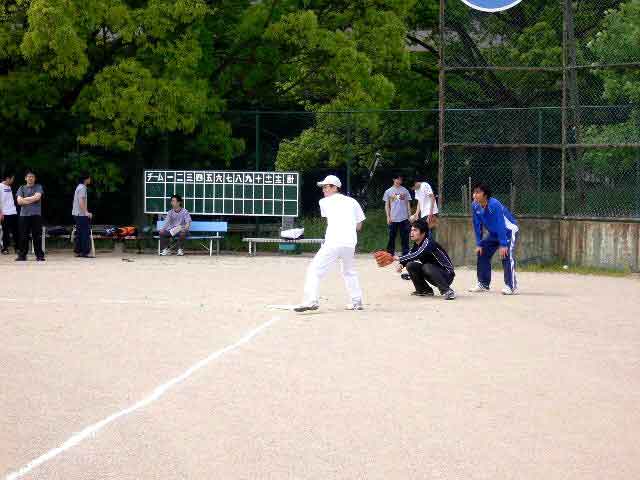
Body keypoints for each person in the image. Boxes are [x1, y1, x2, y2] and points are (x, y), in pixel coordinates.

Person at [295, 175, 366, 312]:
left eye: (326, 187)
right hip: (350, 243)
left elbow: (330, 218)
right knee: (349, 272)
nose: (323, 190)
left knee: (314, 270)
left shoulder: (323, 202)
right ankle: (357, 301)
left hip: (333, 242)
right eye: (323, 187)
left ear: (335, 188)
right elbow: (359, 226)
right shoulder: (353, 201)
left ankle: (311, 301)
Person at [468, 183, 519, 295]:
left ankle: (511, 285)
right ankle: (483, 283)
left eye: (478, 192)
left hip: (508, 231)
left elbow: (500, 223)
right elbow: (477, 224)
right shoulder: (475, 205)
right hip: (494, 233)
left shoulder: (494, 204)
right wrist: (479, 243)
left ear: (485, 195)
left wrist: (503, 244)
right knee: (482, 251)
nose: (474, 195)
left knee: (506, 254)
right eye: (474, 192)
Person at [394, 219, 456, 300]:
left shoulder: (429, 243)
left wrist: (398, 258)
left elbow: (417, 254)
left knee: (426, 266)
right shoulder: (417, 244)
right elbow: (410, 255)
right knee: (411, 265)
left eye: (415, 230)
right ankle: (424, 290)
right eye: (411, 230)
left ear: (423, 233)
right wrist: (401, 264)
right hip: (433, 272)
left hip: (447, 275)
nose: (411, 233)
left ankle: (448, 291)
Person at [16, 170, 45, 261]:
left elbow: (37, 197)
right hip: (24, 215)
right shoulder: (21, 188)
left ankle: (39, 255)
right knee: (23, 236)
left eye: (32, 177)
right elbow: (19, 201)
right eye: (29, 176)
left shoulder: (38, 187)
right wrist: (31, 199)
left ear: (35, 178)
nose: (30, 178)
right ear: (25, 178)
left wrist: (24, 199)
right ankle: (22, 255)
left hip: (36, 215)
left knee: (37, 236)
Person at [383, 173, 412, 256]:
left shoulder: (405, 190)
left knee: (405, 238)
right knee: (391, 237)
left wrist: (409, 216)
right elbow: (387, 205)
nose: (399, 181)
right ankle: (389, 254)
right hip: (393, 218)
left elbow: (408, 203)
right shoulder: (388, 191)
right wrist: (388, 217)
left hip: (404, 218)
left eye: (401, 179)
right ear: (393, 179)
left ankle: (405, 254)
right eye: (398, 179)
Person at [72, 173, 93, 258]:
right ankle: (84, 252)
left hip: (78, 213)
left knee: (80, 233)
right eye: (89, 178)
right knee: (85, 233)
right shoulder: (82, 188)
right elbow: (81, 201)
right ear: (85, 179)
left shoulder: (79, 187)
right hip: (81, 214)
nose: (90, 179)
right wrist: (86, 212)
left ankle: (78, 251)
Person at [1, 171, 19, 255]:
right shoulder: (0, 186)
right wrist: (0, 213)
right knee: (6, 232)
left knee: (16, 231)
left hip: (13, 212)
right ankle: (5, 248)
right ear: (7, 178)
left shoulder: (10, 187)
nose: (13, 180)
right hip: (5, 213)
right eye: (12, 179)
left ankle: (17, 248)